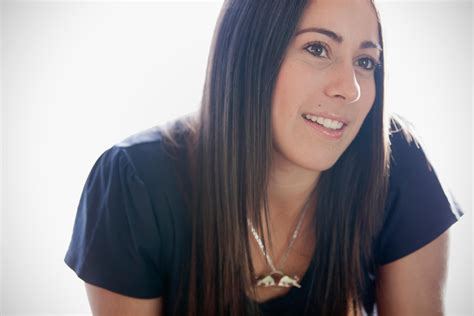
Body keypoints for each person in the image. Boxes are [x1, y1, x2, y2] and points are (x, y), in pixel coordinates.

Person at [64, 0, 464, 315]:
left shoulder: (398, 161)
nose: (351, 90)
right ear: (248, 56)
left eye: (365, 62)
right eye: (317, 48)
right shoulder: (135, 183)